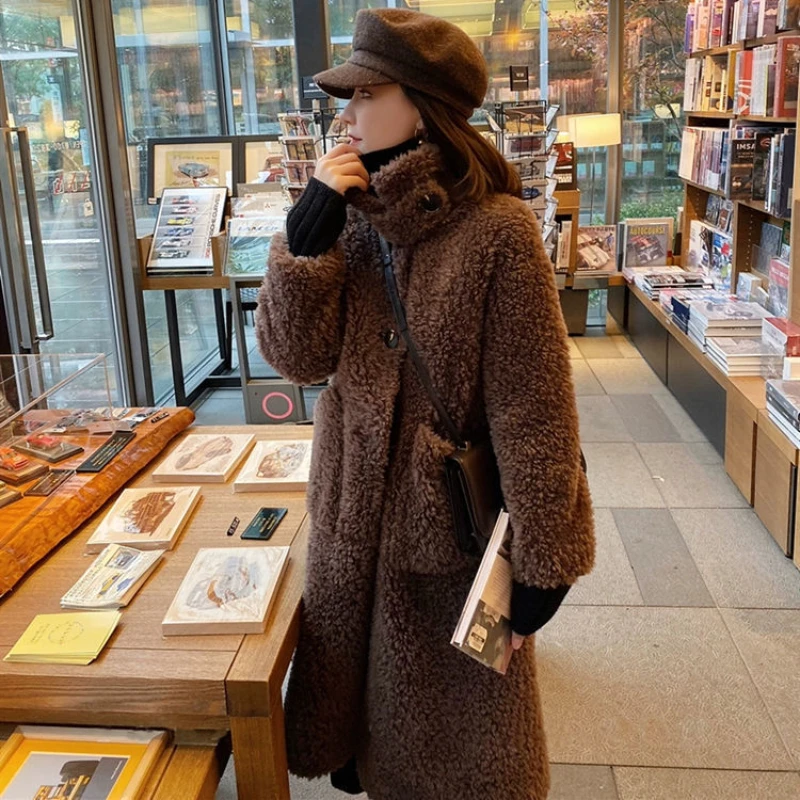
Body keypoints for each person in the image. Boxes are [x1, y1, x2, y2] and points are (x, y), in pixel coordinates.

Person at [255, 9, 595, 800]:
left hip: (446, 535)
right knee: (360, 728)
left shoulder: (498, 232)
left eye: (366, 93)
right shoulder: (348, 217)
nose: (346, 113)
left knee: (450, 752)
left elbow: (535, 410)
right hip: (348, 519)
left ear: (423, 105)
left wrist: (545, 557)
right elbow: (296, 359)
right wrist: (305, 239)